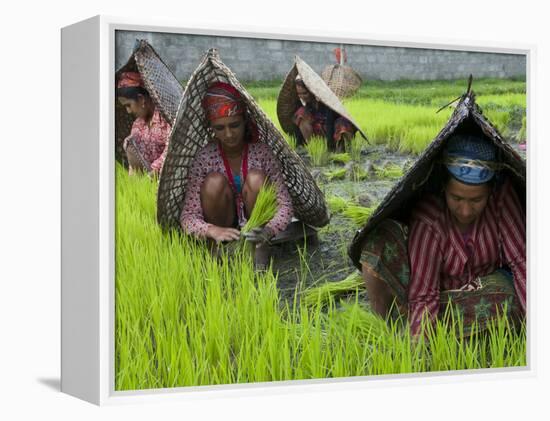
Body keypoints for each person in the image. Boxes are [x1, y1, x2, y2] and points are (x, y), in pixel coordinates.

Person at [360, 133, 526, 337]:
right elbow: (424, 294)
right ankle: (389, 329)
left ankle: (430, 328)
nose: (465, 210)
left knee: (507, 295)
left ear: (490, 193)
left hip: (485, 294)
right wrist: (418, 353)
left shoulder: (502, 200)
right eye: (456, 198)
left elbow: (521, 263)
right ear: (444, 188)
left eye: (476, 200)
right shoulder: (429, 217)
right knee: (379, 241)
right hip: (438, 296)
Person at [180, 81, 293, 249]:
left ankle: (259, 246)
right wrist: (212, 230)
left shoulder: (261, 153)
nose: (229, 134)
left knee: (256, 178)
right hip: (223, 224)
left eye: (235, 125)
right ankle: (221, 247)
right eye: (220, 128)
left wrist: (268, 230)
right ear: (211, 128)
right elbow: (188, 216)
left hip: (258, 228)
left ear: (245, 121)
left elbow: (285, 204)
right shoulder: (205, 157)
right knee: (213, 182)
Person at [116, 71, 172, 175]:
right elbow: (134, 162)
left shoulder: (165, 119)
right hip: (148, 181)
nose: (128, 111)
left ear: (141, 99)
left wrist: (154, 172)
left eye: (129, 105)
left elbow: (170, 151)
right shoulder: (137, 125)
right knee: (129, 142)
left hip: (167, 176)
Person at [293, 75, 356, 151]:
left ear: (312, 91)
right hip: (319, 137)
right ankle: (313, 147)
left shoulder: (326, 103)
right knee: (301, 112)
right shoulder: (308, 107)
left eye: (305, 93)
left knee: (342, 123)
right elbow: (298, 127)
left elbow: (329, 124)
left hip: (333, 133)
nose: (302, 97)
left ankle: (342, 150)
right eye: (299, 94)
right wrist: (297, 145)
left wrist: (329, 147)